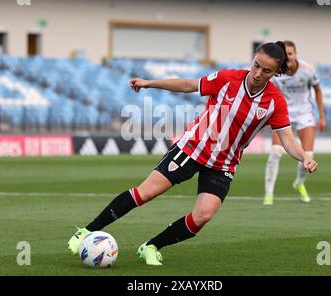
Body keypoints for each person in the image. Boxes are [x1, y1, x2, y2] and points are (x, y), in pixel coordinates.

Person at [68, 41, 318, 266]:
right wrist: (149, 83)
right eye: (256, 65)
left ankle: (152, 246)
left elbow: (287, 139)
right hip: (191, 148)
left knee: (203, 215)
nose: (257, 73)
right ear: (252, 60)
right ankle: (86, 232)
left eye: (266, 71)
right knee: (146, 192)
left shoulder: (275, 101)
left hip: (224, 164)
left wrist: (304, 155)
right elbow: (189, 84)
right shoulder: (228, 78)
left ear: (276, 73)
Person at [263, 41, 325, 205]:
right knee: (275, 152)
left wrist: (322, 115)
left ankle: (299, 183)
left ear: (296, 54)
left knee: (308, 155)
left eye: (291, 53)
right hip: (284, 114)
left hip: (305, 114)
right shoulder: (277, 73)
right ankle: (269, 194)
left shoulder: (307, 70)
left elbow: (318, 89)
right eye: (286, 54)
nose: (288, 57)